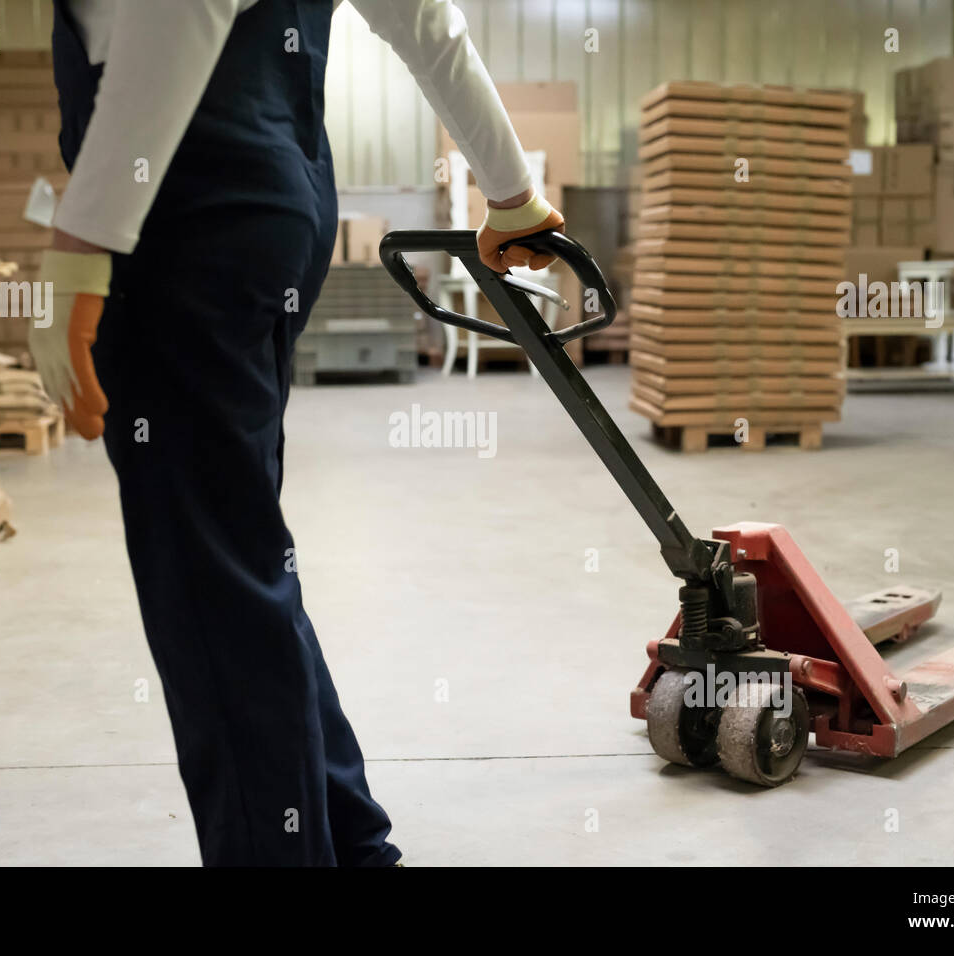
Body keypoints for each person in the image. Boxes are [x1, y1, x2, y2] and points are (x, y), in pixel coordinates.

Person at [31, 0, 565, 866]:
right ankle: (351, 848)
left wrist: (85, 234)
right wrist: (511, 192)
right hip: (277, 200)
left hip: (182, 209)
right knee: (238, 558)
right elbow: (425, 18)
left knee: (208, 586)